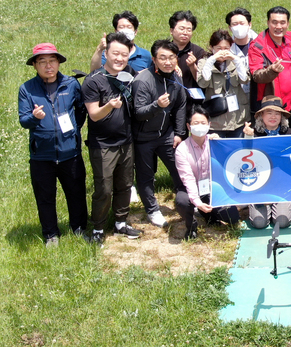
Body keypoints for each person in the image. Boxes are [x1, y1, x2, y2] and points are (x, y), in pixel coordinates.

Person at [18, 43, 87, 247]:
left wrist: (73, 131)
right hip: (42, 156)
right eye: (42, 62)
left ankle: (79, 228)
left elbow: (81, 110)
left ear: (58, 62)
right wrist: (34, 117)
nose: (48, 66)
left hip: (70, 152)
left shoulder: (71, 85)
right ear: (35, 65)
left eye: (52, 61)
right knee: (45, 196)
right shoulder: (27, 88)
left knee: (76, 192)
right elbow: (23, 120)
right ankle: (50, 234)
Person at [82, 33, 141, 245]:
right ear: (106, 54)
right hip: (103, 145)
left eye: (124, 55)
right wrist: (109, 106)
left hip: (126, 141)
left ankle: (120, 222)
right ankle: (98, 227)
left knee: (125, 185)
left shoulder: (129, 74)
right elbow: (94, 114)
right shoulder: (93, 81)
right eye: (115, 53)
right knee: (104, 188)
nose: (119, 58)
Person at [132, 39, 187, 228]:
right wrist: (157, 105)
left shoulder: (175, 78)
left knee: (179, 168)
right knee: (145, 175)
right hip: (143, 138)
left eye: (172, 57)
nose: (168, 62)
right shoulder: (142, 81)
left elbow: (180, 106)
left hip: (166, 135)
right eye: (162, 58)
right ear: (154, 59)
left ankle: (186, 202)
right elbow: (138, 113)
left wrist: (179, 133)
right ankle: (152, 210)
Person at [175, 106, 241, 240]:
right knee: (182, 201)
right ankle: (191, 225)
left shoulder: (214, 142)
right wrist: (197, 201)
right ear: (188, 126)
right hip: (191, 188)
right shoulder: (182, 149)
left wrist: (220, 144)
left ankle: (208, 214)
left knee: (232, 217)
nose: (200, 126)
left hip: (212, 187)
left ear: (209, 125)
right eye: (195, 123)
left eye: (203, 123)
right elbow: (188, 179)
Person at [248, 6, 291, 129]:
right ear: (268, 23)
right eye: (274, 22)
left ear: (288, 24)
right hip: (269, 107)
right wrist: (272, 71)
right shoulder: (257, 46)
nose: (278, 27)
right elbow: (257, 75)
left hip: (289, 104)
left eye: (282, 23)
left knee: (288, 138)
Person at [242, 96, 291, 229]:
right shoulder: (253, 133)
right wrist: (248, 137)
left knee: (282, 222)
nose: (273, 116)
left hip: (282, 186)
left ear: (282, 116)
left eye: (277, 113)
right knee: (259, 222)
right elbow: (243, 158)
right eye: (269, 113)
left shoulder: (290, 134)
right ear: (261, 115)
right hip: (259, 186)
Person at [196, 29, 250, 138]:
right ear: (212, 48)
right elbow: (203, 82)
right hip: (215, 119)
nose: (223, 52)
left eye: (226, 48)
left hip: (237, 118)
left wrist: (236, 60)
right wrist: (212, 60)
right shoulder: (204, 62)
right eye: (219, 48)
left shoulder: (236, 61)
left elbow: (245, 78)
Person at [169, 10, 206, 90]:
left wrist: (192, 66)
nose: (185, 33)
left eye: (189, 30)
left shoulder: (199, 52)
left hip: (192, 100)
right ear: (171, 31)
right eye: (182, 29)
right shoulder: (164, 50)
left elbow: (203, 81)